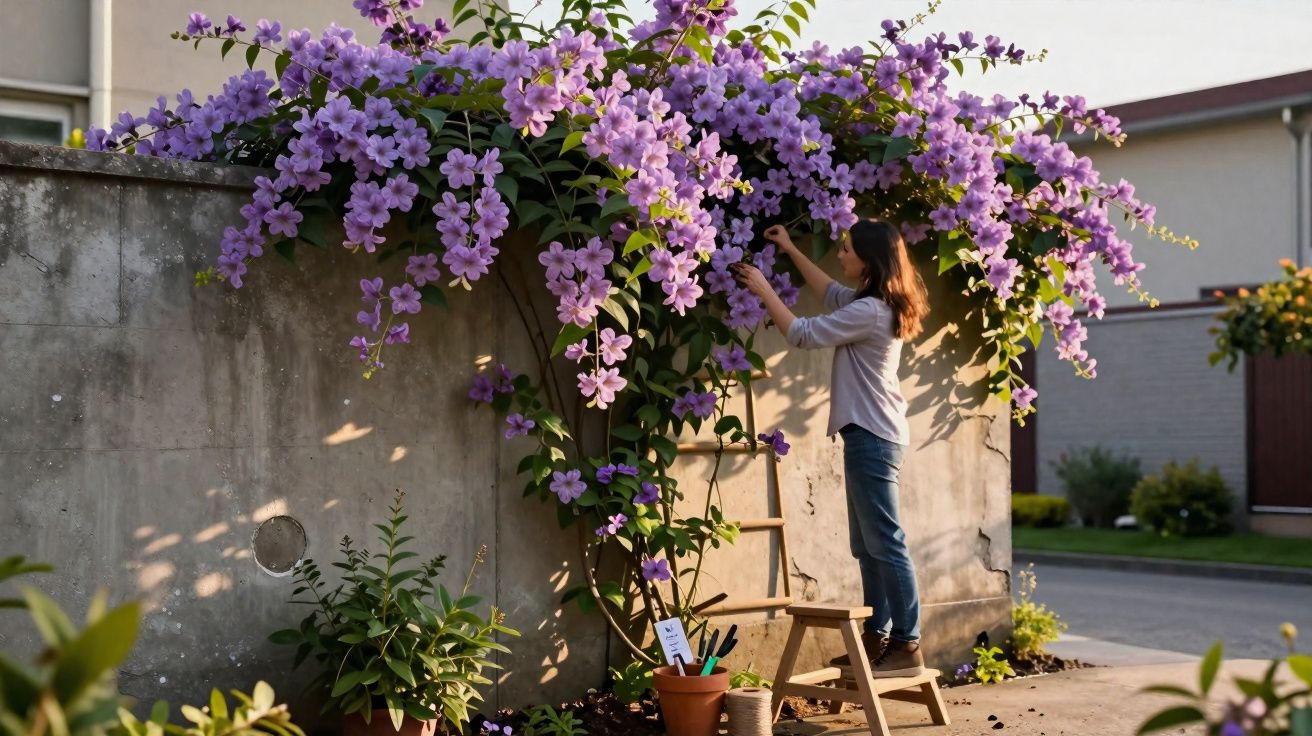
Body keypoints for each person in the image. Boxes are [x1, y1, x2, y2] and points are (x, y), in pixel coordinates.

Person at [730, 220, 930, 678]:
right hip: (872, 435)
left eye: (846, 249)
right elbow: (829, 292)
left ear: (869, 259)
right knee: (869, 546)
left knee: (886, 543)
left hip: (872, 437)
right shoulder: (870, 302)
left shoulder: (872, 312)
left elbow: (801, 333)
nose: (839, 255)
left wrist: (763, 288)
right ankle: (878, 637)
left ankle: (907, 646)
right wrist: (790, 248)